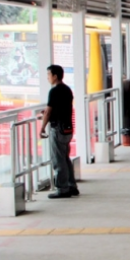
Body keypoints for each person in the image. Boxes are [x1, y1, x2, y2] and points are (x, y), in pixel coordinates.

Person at [39, 65, 79, 199]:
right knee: (65, 158)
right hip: (67, 128)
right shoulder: (67, 89)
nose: (47, 78)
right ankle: (71, 185)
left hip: (57, 129)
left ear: (55, 76)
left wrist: (42, 127)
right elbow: (61, 108)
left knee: (58, 159)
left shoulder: (54, 91)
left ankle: (62, 189)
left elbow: (49, 111)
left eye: (48, 75)